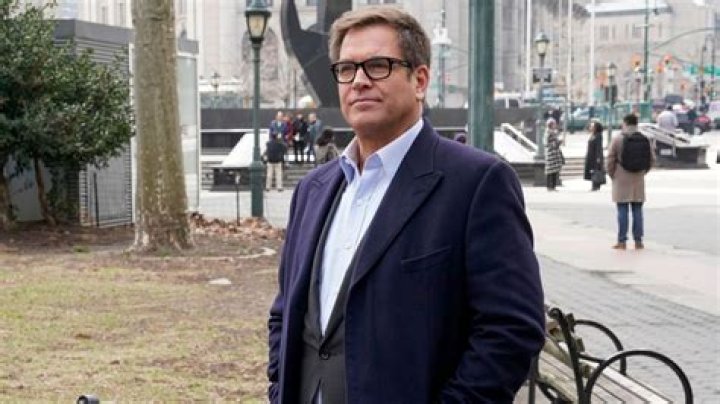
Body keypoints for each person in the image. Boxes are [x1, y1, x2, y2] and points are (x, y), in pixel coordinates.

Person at [267, 6, 545, 404]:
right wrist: (279, 388)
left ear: (420, 80)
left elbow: (511, 329)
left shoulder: (476, 183)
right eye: (346, 69)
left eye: (378, 66)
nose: (359, 81)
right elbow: (286, 312)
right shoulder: (313, 189)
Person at [606, 114, 655, 250]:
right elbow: (652, 159)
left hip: (621, 178)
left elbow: (610, 159)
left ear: (625, 123)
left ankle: (622, 241)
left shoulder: (618, 139)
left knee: (622, 209)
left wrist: (612, 174)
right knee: (637, 210)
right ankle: (638, 241)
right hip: (638, 178)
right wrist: (643, 172)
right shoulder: (645, 139)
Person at [584, 119, 605, 191]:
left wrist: (598, 157)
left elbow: (599, 147)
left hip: (596, 156)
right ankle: (594, 184)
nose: (591, 128)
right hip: (591, 156)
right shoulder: (592, 135)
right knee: (592, 170)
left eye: (592, 126)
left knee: (596, 170)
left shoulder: (598, 135)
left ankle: (596, 185)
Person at [544, 118, 563, 191]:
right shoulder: (549, 133)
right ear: (551, 125)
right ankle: (550, 186)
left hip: (553, 154)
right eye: (554, 124)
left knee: (553, 171)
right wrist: (558, 142)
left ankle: (552, 186)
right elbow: (547, 143)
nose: (555, 125)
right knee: (551, 171)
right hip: (551, 154)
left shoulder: (552, 132)